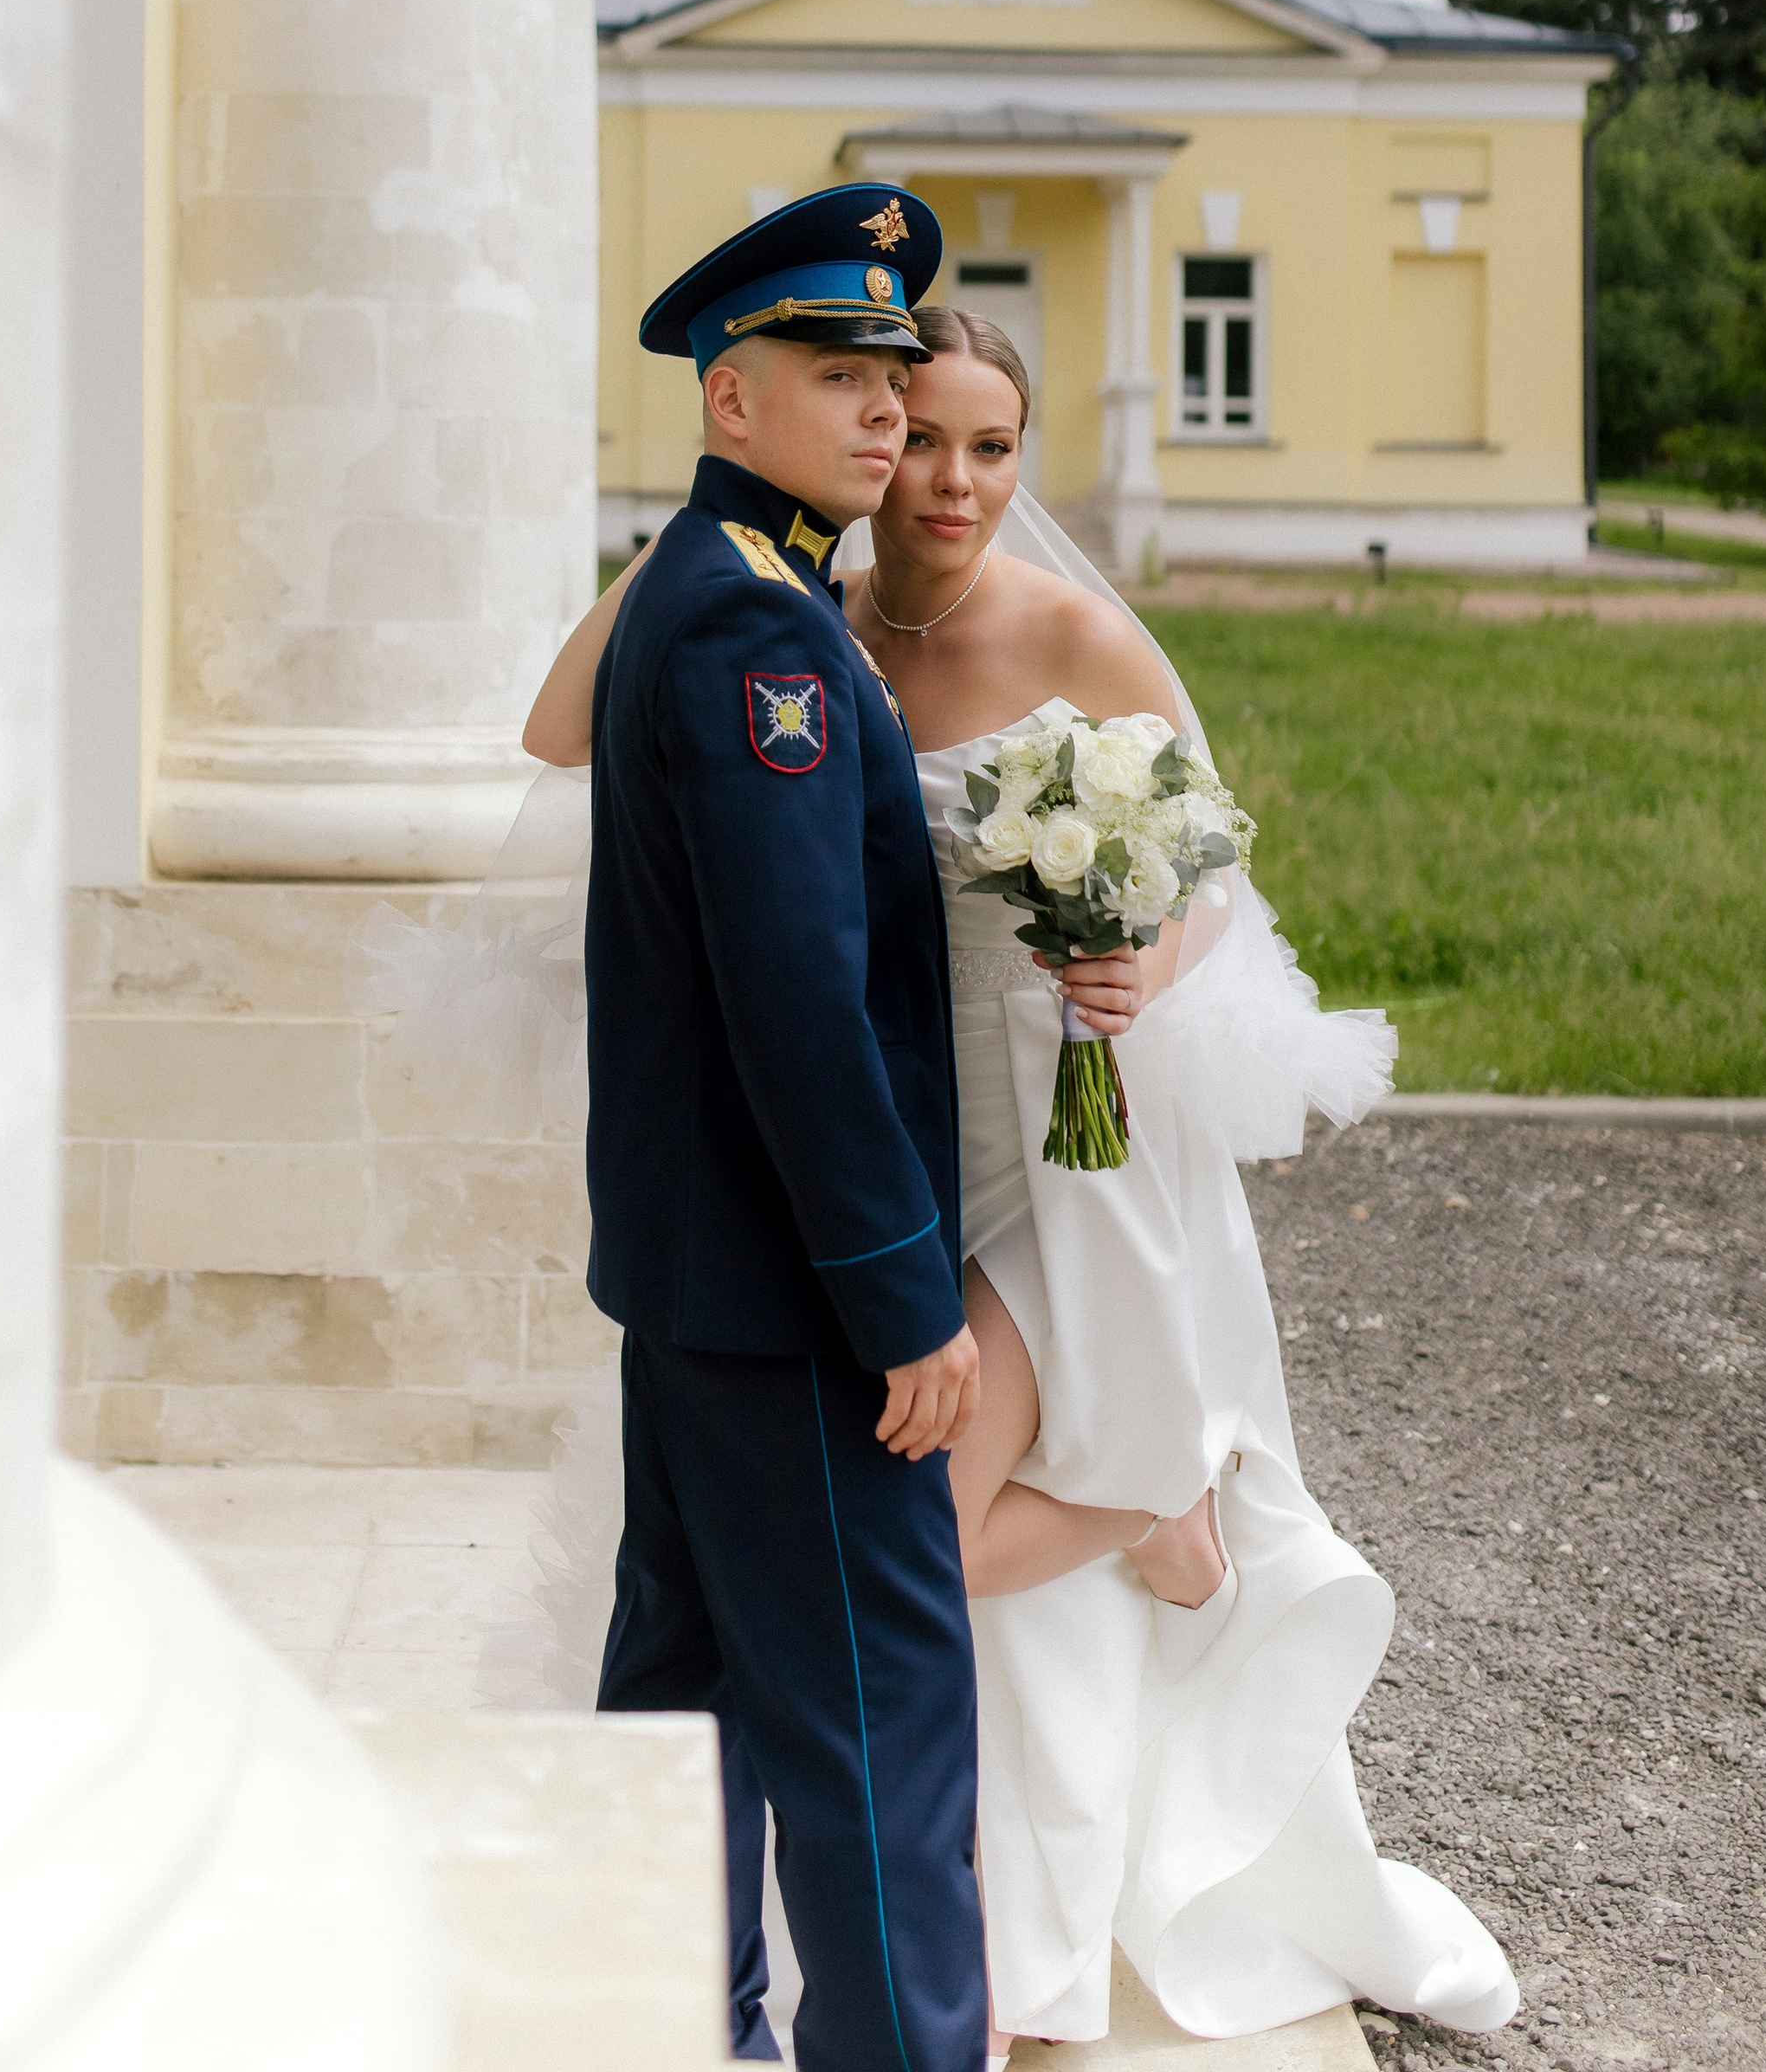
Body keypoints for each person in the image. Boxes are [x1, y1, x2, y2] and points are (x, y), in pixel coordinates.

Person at [516, 301, 1518, 2050]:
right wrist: (691, 528)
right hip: (902, 1145)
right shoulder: (784, 615)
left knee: (927, 1525)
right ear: (870, 441)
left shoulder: (1071, 626)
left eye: (991, 446)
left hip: (1067, 1140)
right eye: (921, 435)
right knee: (891, 1560)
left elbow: (1206, 860)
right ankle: (1129, 1586)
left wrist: (1148, 956)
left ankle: (1155, 1513)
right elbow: (559, 729)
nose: (954, 478)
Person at [580, 184, 986, 2072]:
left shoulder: (715, 592)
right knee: (874, 1722)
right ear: (727, 400)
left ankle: (664, 2034)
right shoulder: (757, 649)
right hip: (789, 1296)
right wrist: (900, 1298)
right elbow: (797, 1004)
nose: (886, 411)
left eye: (891, 377)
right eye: (839, 376)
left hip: (696, 1277)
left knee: (683, 1703)